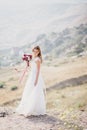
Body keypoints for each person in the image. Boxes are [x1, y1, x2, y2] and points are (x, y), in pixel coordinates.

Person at [15, 45, 46, 117]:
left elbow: (38, 71)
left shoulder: (38, 59)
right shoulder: (33, 59)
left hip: (35, 77)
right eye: (34, 51)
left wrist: (36, 80)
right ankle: (27, 107)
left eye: (37, 51)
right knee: (28, 91)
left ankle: (33, 109)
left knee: (35, 92)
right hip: (31, 77)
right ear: (32, 51)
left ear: (39, 52)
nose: (35, 52)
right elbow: (29, 69)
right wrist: (19, 70)